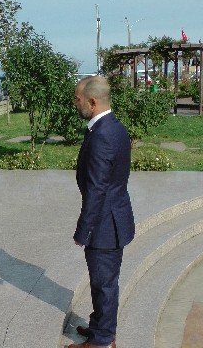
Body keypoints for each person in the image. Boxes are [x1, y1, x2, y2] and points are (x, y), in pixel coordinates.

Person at [68, 76, 135, 348]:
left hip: (105, 224)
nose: (76, 103)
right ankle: (100, 327)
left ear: (92, 102)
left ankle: (103, 341)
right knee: (102, 282)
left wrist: (83, 230)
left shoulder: (102, 136)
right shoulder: (113, 127)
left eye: (78, 99)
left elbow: (97, 190)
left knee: (104, 284)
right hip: (114, 215)